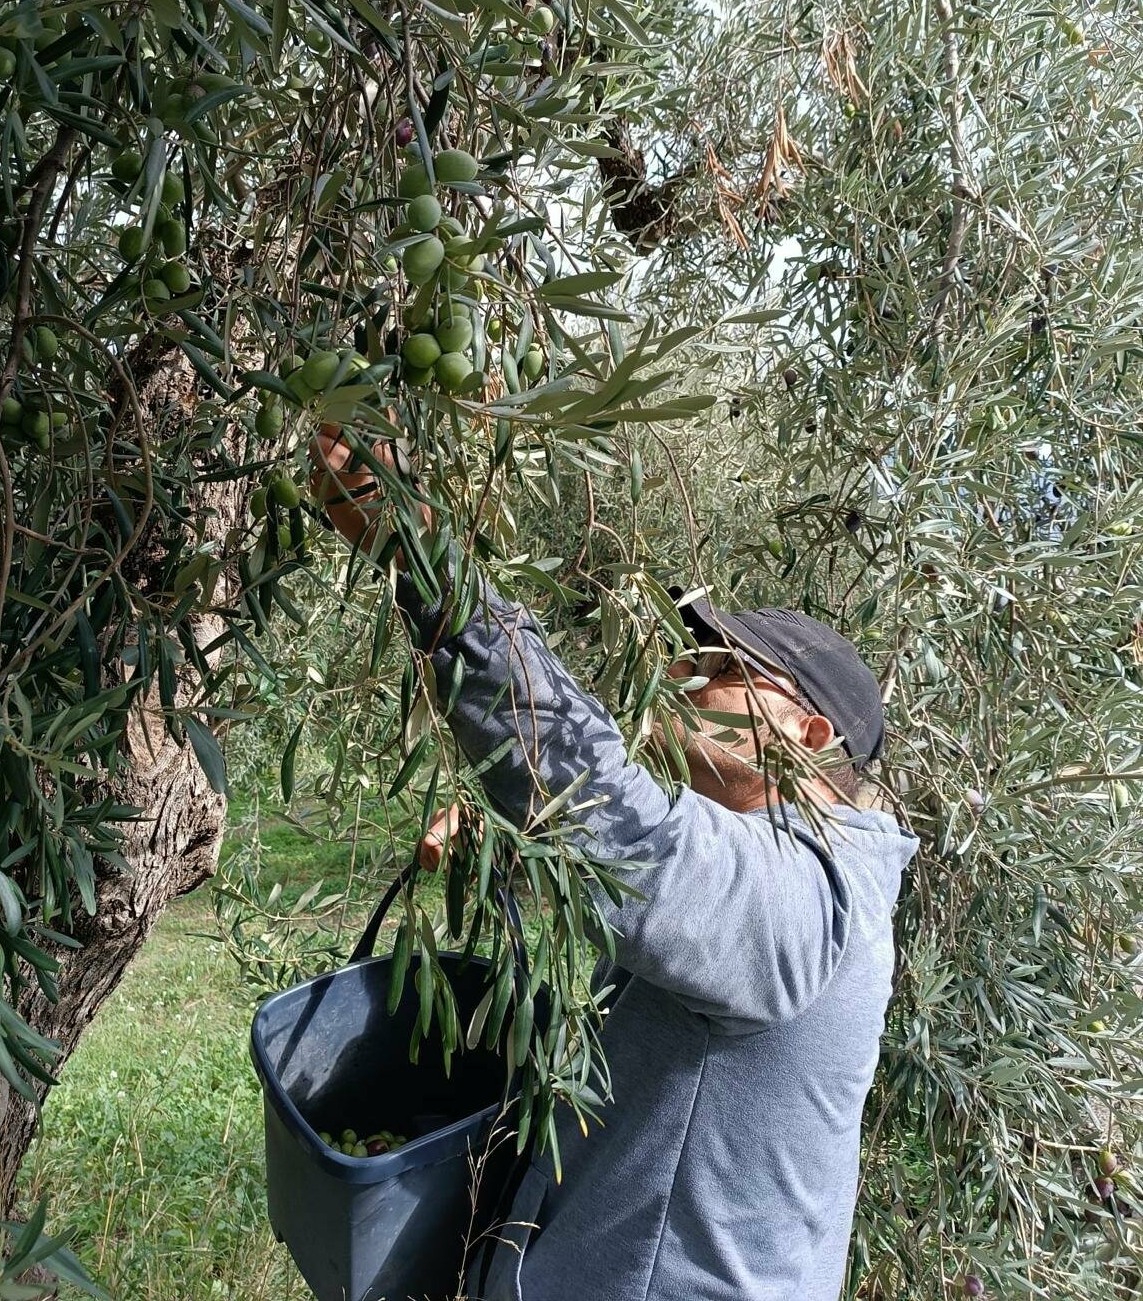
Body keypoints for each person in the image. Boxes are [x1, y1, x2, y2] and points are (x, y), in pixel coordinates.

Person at [310, 423, 918, 1301]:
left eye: (716, 664)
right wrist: (518, 862)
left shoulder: (812, 897)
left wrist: (429, 557)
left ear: (806, 733)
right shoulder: (772, 885)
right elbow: (624, 1042)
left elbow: (613, 812)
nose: (677, 669)